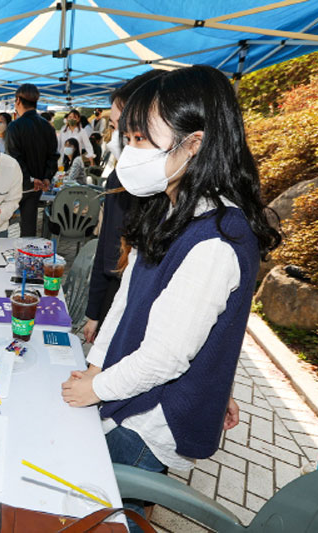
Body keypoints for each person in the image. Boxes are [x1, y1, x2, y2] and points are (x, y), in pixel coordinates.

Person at [61, 66, 280, 528]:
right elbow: (126, 300)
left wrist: (95, 389)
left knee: (108, 515)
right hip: (126, 389)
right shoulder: (170, 204)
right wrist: (97, 366)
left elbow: (166, 358)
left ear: (194, 144)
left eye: (142, 139)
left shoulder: (217, 238)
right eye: (128, 138)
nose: (128, 153)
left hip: (150, 419)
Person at [83, 70, 164, 344]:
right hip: (114, 296)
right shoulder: (120, 179)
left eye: (123, 128)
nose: (115, 135)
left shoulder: (175, 195)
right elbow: (106, 248)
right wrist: (95, 312)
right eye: (116, 127)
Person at [5, 84, 58, 236]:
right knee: (29, 230)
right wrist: (46, 177)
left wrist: (30, 177)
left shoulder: (15, 127)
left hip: (17, 185)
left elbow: (13, 157)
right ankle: (27, 257)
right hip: (37, 187)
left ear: (18, 101)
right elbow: (53, 156)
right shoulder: (47, 127)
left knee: (1, 225)